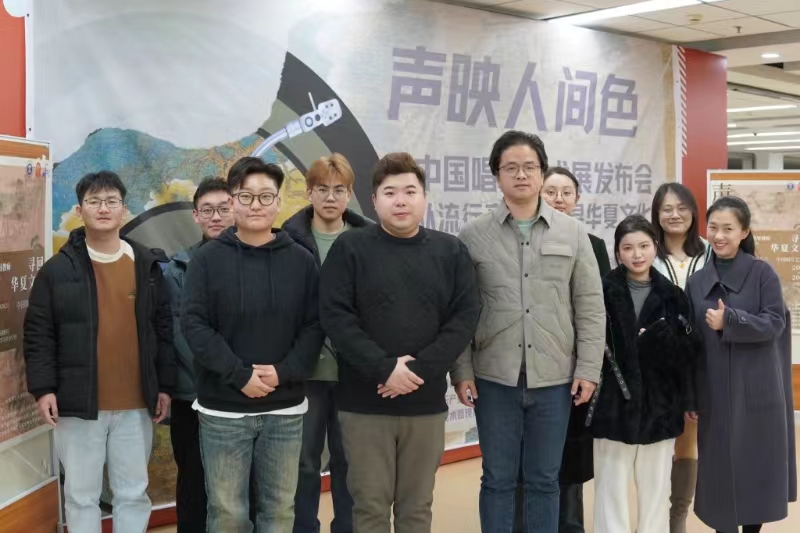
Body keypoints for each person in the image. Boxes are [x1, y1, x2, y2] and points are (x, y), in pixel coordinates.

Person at [453, 131, 605, 533]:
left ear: (541, 172)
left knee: (544, 480)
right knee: (497, 479)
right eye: (511, 168)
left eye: (529, 167)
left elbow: (590, 306)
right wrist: (462, 371)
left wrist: (588, 369)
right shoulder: (473, 236)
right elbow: (461, 312)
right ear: (497, 175)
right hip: (493, 379)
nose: (521, 175)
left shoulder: (572, 233)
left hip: (554, 379)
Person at [319, 152, 479, 533]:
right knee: (369, 508)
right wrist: (384, 368)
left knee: (416, 509)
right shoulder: (350, 248)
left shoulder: (450, 251)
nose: (401, 201)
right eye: (390, 193)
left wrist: (416, 371)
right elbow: (336, 316)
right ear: (375, 201)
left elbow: (464, 318)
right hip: (363, 405)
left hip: (425, 404)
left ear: (424, 198)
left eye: (410, 191)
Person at [23, 170, 175, 533]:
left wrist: (165, 385)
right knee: (80, 495)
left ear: (124, 209)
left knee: (133, 493)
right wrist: (43, 389)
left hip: (136, 403)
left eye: (111, 201)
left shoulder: (146, 266)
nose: (103, 209)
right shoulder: (58, 270)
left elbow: (163, 329)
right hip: (78, 405)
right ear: (79, 210)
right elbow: (39, 333)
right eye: (94, 201)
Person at [181, 157, 325, 533]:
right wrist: (239, 375)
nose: (256, 205)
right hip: (223, 410)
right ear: (233, 201)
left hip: (285, 408)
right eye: (246, 196)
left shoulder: (302, 260)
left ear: (278, 202)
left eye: (265, 196)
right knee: (227, 513)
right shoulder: (207, 260)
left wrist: (283, 372)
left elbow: (314, 325)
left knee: (279, 511)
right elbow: (195, 325)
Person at [685, 196, 796, 533]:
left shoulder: (762, 273)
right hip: (714, 392)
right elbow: (691, 344)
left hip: (757, 391)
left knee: (754, 469)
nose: (719, 236)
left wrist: (731, 320)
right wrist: (691, 395)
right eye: (713, 227)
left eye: (728, 229)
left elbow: (775, 322)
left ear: (744, 232)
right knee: (718, 471)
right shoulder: (697, 281)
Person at [509, 167, 611, 533]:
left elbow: (595, 310)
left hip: (570, 372)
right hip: (523, 369)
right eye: (551, 191)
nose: (559, 199)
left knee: (569, 459)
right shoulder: (517, 240)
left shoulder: (591, 243)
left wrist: (588, 366)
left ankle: (569, 526)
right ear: (539, 193)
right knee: (522, 457)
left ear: (577, 199)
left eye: (567, 192)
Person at [590, 215, 701, 533]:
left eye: (644, 246)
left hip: (660, 408)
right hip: (613, 405)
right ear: (617, 252)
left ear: (655, 247)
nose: (637, 254)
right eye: (628, 248)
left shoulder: (673, 295)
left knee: (655, 493)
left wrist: (657, 341)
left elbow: (687, 353)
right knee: (610, 492)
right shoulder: (600, 291)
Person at [282, 154, 369, 533]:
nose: (330, 198)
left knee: (350, 463)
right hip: (305, 372)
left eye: (339, 190)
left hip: (354, 373)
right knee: (303, 463)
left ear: (349, 194)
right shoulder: (287, 240)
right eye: (322, 189)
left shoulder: (367, 240)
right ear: (309, 192)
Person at [163, 177, 234, 533]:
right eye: (208, 210)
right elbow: (179, 333)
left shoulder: (255, 259)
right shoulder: (177, 269)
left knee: (238, 488)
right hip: (192, 395)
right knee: (193, 483)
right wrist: (224, 371)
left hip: (244, 395)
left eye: (223, 208)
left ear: (235, 209)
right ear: (195, 215)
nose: (216, 217)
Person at [649, 182, 711, 533]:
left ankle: (678, 518)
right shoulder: (646, 250)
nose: (675, 215)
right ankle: (655, 517)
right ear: (657, 214)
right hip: (658, 363)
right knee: (658, 443)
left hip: (702, 360)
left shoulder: (710, 251)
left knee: (688, 441)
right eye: (667, 209)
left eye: (682, 208)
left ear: (693, 212)